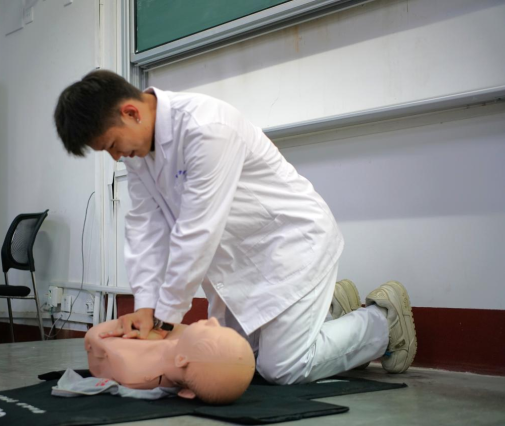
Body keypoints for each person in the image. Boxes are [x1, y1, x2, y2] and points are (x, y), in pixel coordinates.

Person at [54, 70, 417, 385]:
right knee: (236, 363)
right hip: (240, 263)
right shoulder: (138, 154)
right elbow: (145, 229)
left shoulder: (206, 127)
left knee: (282, 369)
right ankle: (332, 313)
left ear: (131, 112)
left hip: (290, 244)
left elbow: (197, 230)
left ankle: (381, 323)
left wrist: (163, 318)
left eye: (112, 145)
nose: (116, 156)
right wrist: (146, 305)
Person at [84, 317, 255, 404]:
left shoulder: (131, 366)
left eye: (207, 331)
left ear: (181, 360)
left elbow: (94, 337)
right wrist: (160, 324)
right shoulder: (185, 339)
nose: (213, 320)